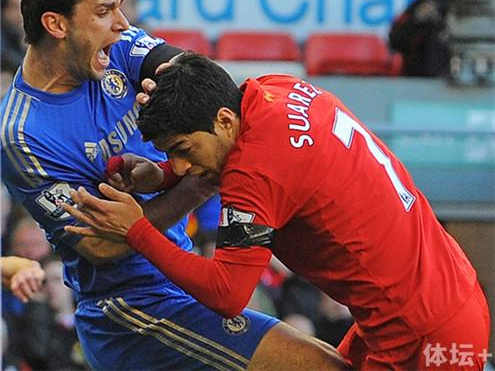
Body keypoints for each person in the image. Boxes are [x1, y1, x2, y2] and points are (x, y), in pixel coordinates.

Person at [0, 0, 347, 371]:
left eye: (120, 8)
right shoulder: (22, 134)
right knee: (323, 366)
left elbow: (199, 82)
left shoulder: (117, 49)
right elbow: (100, 244)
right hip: (130, 311)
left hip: (179, 276)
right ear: (56, 24)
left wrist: (167, 158)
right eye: (104, 11)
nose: (122, 23)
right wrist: (195, 186)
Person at [64, 52, 491, 370]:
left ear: (225, 121)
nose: (181, 165)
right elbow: (263, 163)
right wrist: (162, 176)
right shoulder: (274, 89)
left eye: (183, 150)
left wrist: (137, 230)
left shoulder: (255, 174)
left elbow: (227, 294)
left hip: (424, 336)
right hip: (439, 298)